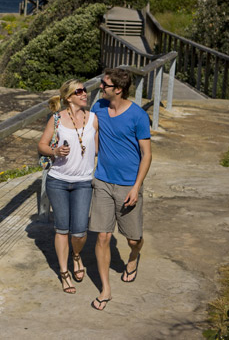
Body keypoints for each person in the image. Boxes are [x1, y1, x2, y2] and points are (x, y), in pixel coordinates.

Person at [89, 68, 152, 310]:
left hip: (128, 186)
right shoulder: (98, 108)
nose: (100, 87)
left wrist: (136, 187)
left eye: (104, 84)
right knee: (103, 236)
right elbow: (88, 137)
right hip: (103, 181)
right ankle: (106, 290)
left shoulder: (137, 116)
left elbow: (146, 155)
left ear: (118, 89)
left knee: (133, 239)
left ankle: (134, 257)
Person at [38, 79, 98, 294]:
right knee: (62, 229)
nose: (84, 94)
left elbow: (98, 148)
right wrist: (54, 152)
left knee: (79, 232)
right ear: (68, 97)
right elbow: (42, 145)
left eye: (85, 90)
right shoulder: (56, 119)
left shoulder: (93, 119)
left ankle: (76, 255)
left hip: (83, 182)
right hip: (58, 181)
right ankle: (64, 272)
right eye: (79, 91)